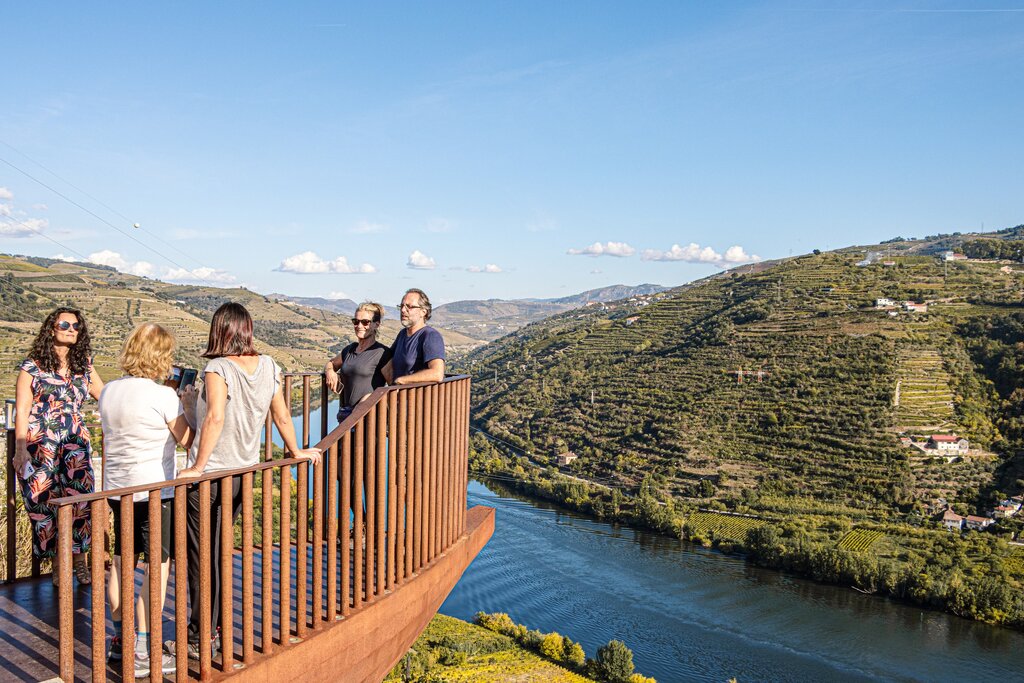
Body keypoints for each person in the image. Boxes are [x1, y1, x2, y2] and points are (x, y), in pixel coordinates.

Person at [173, 302, 319, 660]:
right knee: (219, 551)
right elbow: (281, 415)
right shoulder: (269, 365)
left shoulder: (218, 367)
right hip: (242, 474)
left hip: (210, 477)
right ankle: (216, 629)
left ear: (218, 330)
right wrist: (296, 450)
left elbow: (216, 419)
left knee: (198, 556)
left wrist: (197, 466)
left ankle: (199, 636)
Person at [100, 323, 193, 676]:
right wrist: (188, 404)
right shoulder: (164, 396)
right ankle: (142, 648)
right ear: (162, 355)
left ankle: (121, 641)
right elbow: (187, 439)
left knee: (122, 563)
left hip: (116, 489)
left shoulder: (109, 390)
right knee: (157, 568)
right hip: (155, 493)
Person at [13, 307, 103, 586]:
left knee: (80, 503)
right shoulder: (33, 366)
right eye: (64, 323)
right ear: (51, 328)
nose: (71, 329)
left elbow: (106, 397)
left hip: (75, 447)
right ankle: (56, 564)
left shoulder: (84, 365)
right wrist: (19, 449)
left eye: (76, 326)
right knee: (43, 505)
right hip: (41, 447)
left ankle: (79, 561)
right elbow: (23, 408)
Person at [324, 302, 392, 422]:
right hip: (346, 415)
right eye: (356, 321)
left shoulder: (382, 353)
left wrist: (370, 398)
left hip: (369, 419)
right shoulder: (350, 349)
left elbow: (393, 387)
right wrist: (330, 372)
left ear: (377, 324)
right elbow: (331, 363)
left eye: (365, 322)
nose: (359, 325)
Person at [382, 288, 446, 385]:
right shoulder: (402, 334)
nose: (403, 310)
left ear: (423, 312)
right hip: (399, 396)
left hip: (417, 398)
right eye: (402, 306)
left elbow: (437, 373)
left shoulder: (430, 336)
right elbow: (387, 358)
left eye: (409, 306)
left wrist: (402, 380)